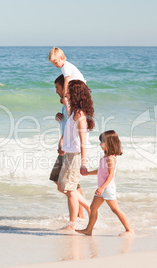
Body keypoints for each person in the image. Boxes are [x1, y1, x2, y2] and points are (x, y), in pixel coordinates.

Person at [76, 130, 134, 237]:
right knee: (93, 208)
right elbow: (100, 171)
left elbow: (111, 175)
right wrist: (88, 173)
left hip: (107, 188)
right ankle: (88, 230)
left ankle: (129, 230)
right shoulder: (105, 158)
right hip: (102, 188)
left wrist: (102, 187)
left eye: (102, 142)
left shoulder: (111, 158)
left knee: (115, 209)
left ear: (109, 143)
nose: (100, 144)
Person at [57, 80, 94, 231]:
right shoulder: (72, 110)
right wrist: (63, 146)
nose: (66, 93)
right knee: (62, 186)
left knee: (70, 189)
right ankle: (88, 209)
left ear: (76, 94)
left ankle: (73, 223)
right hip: (69, 154)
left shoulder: (80, 114)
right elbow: (68, 132)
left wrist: (83, 163)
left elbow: (83, 141)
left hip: (76, 156)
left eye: (69, 91)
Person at [49, 74, 86, 219]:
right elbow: (69, 126)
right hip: (66, 146)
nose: (56, 91)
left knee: (71, 185)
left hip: (69, 148)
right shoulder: (66, 109)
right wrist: (61, 120)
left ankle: (80, 215)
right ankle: (81, 213)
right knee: (62, 182)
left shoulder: (72, 106)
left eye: (57, 88)